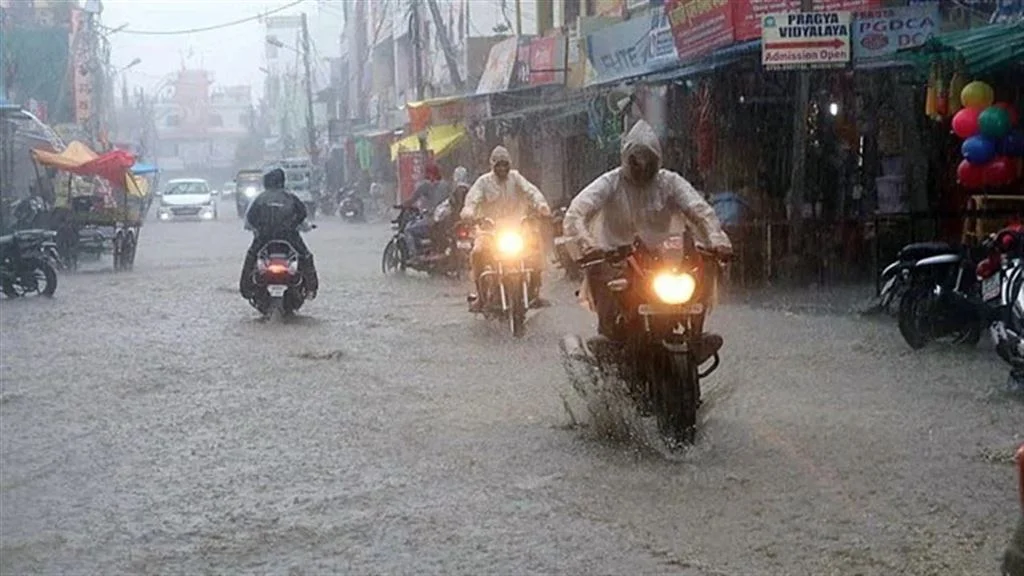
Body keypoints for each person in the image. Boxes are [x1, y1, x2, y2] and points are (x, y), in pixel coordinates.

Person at [563, 119, 732, 364]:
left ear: (657, 159)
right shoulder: (610, 183)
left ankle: (695, 332)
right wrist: (588, 244)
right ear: (625, 159)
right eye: (636, 161)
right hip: (615, 259)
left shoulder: (670, 182)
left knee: (704, 267)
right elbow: (577, 212)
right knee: (601, 277)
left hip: (664, 262)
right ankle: (611, 340)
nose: (642, 167)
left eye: (648, 160)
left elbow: (700, 211)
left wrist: (716, 240)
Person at [460, 146, 551, 311]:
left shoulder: (516, 178)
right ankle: (481, 296)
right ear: (492, 165)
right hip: (489, 230)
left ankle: (534, 291)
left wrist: (541, 206)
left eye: (505, 165)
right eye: (499, 165)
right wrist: (469, 212)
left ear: (510, 165)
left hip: (516, 229)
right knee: (478, 253)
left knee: (535, 249)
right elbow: (472, 199)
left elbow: (532, 192)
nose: (502, 168)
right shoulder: (483, 182)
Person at [239, 168, 319, 299]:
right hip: (289, 236)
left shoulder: (259, 199)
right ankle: (311, 289)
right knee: (306, 256)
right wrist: (298, 226)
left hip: (264, 237)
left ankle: (246, 289)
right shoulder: (291, 198)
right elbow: (302, 215)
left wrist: (258, 228)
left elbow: (250, 219)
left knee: (251, 256)